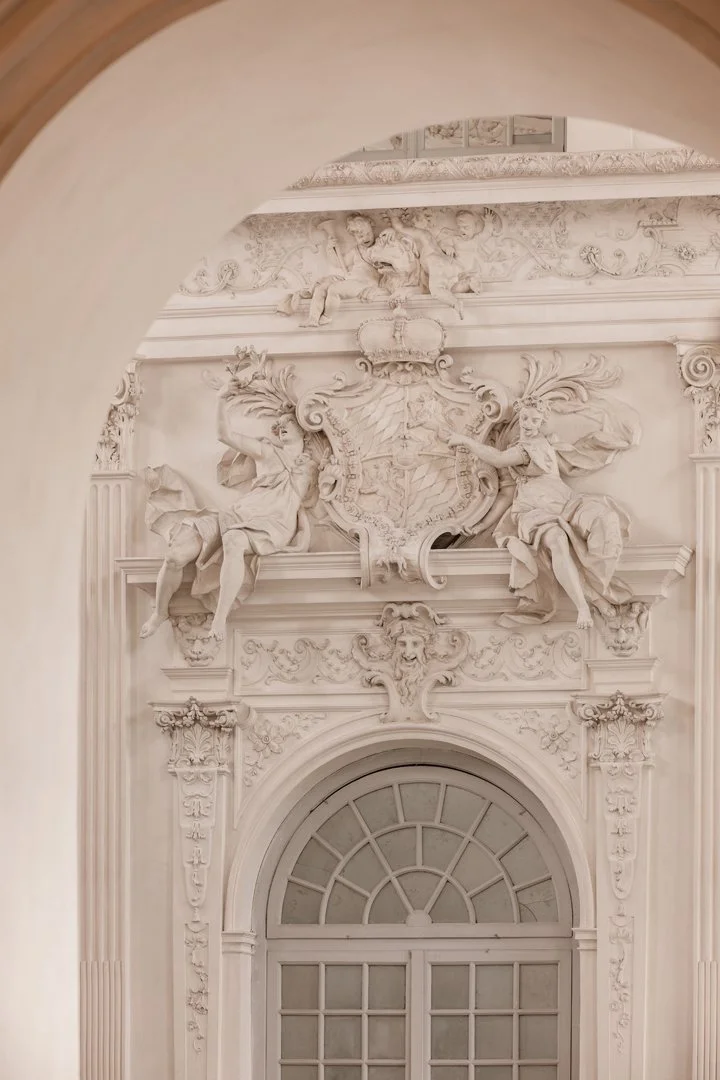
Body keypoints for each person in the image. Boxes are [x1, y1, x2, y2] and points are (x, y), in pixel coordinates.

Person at [140, 385, 314, 641]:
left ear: (303, 428)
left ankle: (220, 618)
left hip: (273, 524)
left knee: (234, 540)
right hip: (237, 515)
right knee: (176, 555)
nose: (282, 425)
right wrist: (222, 399)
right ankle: (160, 612)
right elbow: (225, 434)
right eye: (279, 423)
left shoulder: (311, 465)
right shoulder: (267, 452)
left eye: (289, 421)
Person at [448, 398, 632, 627]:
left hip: (565, 501)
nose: (528, 423)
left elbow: (502, 459)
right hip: (534, 510)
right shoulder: (519, 451)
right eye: (524, 417)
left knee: (604, 516)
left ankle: (599, 589)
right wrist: (481, 526)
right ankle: (583, 606)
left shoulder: (544, 445)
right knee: (557, 540)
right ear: (519, 417)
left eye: (534, 419)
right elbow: (502, 479)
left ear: (541, 422)